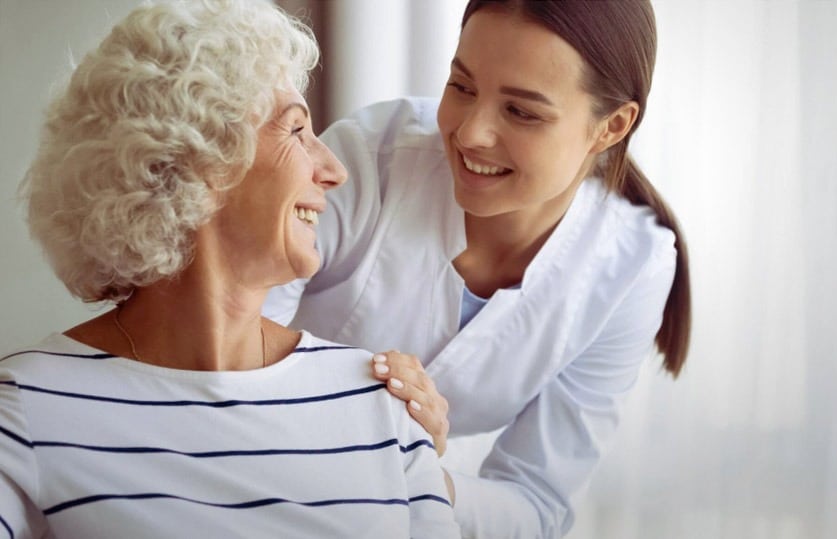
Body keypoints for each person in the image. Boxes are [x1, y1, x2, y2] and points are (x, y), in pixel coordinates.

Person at [0, 1, 461, 537]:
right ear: (197, 157)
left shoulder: (380, 404)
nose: (333, 169)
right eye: (296, 131)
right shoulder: (27, 413)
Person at [263, 0, 692, 537]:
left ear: (612, 126)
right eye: (461, 87)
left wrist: (414, 471)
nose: (470, 134)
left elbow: (536, 504)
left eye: (522, 112)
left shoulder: (634, 268)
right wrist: (375, 419)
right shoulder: (368, 158)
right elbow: (232, 353)